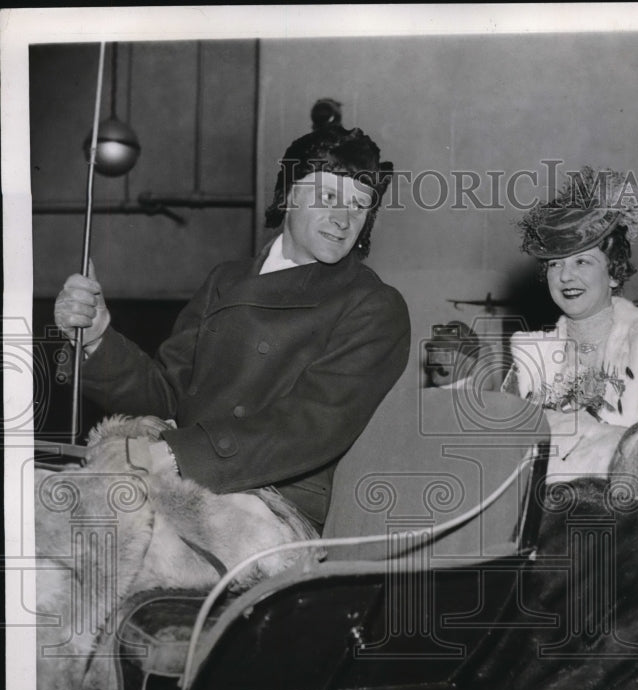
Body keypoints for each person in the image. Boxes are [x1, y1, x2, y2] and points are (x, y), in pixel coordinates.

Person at [53, 125, 411, 530]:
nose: (344, 219)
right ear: (291, 193)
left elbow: (309, 426)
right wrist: (99, 337)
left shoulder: (374, 305)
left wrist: (173, 456)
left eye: (360, 206)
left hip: (271, 507)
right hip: (179, 478)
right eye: (328, 197)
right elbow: (168, 399)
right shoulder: (226, 280)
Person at [502, 166, 638, 480]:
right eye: (554, 264)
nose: (565, 276)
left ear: (614, 272)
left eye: (582, 261)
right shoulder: (528, 365)